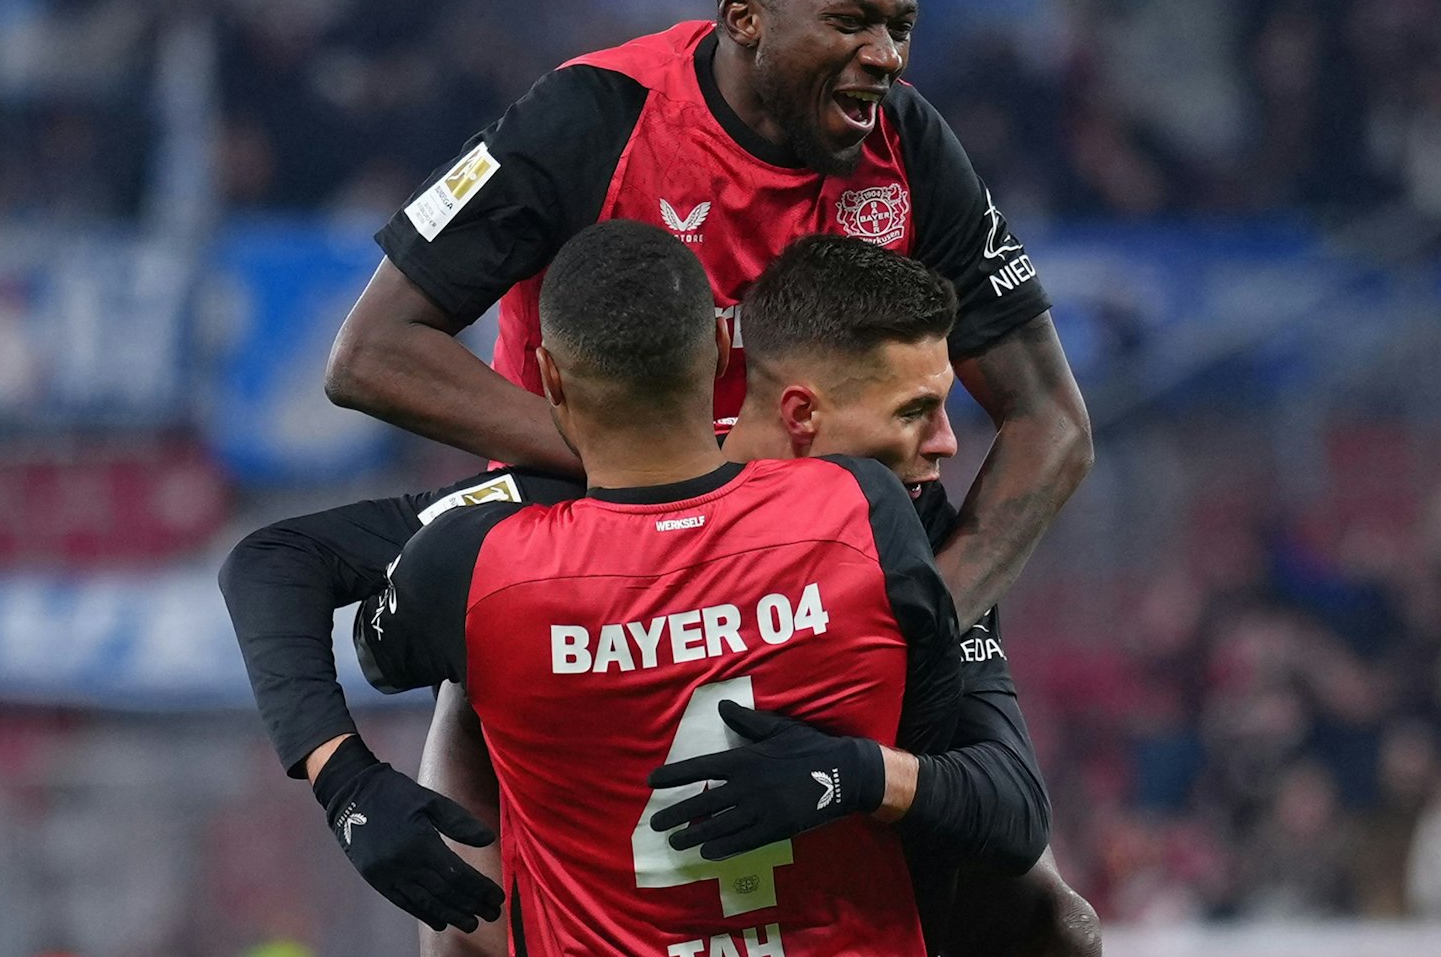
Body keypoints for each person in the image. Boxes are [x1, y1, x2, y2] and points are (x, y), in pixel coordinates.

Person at [220, 235, 1100, 955]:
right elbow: (276, 561)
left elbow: (1011, 804)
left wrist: (348, 782)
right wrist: (347, 778)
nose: (946, 444)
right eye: (915, 413)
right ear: (737, 368)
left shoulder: (501, 538)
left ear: (552, 380)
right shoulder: (875, 513)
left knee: (469, 657)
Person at [323, 0, 1090, 636]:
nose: (886, 56)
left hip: (818, 583)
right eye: (850, 22)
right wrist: (642, 464)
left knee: (966, 696)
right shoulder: (589, 119)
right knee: (477, 668)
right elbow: (371, 354)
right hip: (598, 558)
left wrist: (931, 622)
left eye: (901, 26)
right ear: (744, 19)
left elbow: (1052, 421)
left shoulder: (907, 143)